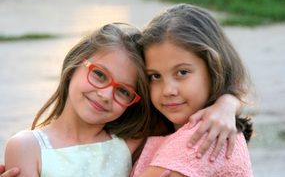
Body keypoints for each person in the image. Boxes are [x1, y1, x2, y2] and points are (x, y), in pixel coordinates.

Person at [1, 22, 241, 176]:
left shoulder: (130, 141)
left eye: (123, 91)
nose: (105, 95)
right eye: (99, 74)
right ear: (75, 64)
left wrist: (227, 103)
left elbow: (184, 114)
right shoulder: (26, 147)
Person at [131, 4, 253, 177]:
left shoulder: (205, 136)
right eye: (155, 76)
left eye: (182, 72)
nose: (168, 90)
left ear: (214, 68)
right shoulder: (165, 128)